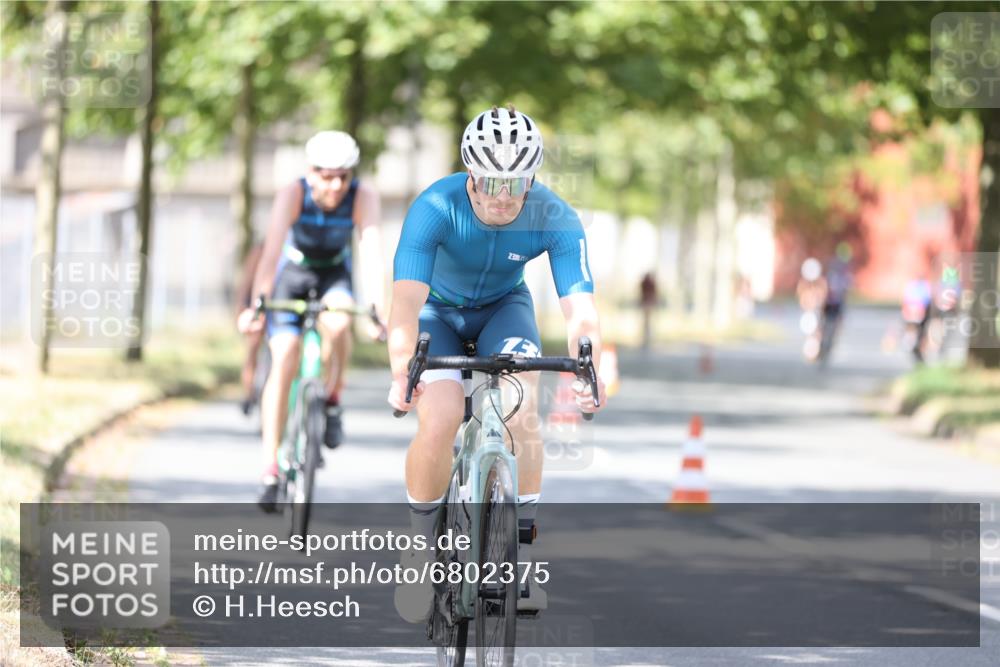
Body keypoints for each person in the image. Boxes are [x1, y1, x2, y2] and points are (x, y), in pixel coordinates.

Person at [386, 106, 607, 618]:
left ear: (532, 177)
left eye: (516, 181)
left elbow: (582, 310)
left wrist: (587, 368)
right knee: (440, 416)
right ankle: (421, 552)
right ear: (470, 172)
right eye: (490, 180)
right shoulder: (434, 207)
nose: (503, 196)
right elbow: (404, 306)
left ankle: (518, 564)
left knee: (521, 412)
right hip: (436, 313)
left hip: (504, 311)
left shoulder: (555, 216)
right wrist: (403, 370)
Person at [237, 131, 386, 512]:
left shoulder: (363, 197)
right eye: (326, 175)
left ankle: (332, 398)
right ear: (310, 172)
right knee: (284, 352)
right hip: (295, 273)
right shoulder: (292, 193)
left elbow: (371, 253)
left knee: (338, 324)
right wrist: (257, 305)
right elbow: (271, 253)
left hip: (334, 273)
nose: (335, 185)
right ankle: (270, 467)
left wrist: (377, 310)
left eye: (343, 176)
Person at [235, 241, 265, 416]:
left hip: (277, 301)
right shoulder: (258, 250)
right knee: (253, 347)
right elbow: (246, 282)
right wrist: (241, 306)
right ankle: (248, 394)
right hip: (255, 302)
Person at [639, 271, 658, 350]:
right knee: (646, 322)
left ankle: (648, 338)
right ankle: (646, 338)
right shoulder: (648, 283)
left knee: (647, 322)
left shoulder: (648, 283)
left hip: (647, 303)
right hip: (647, 303)